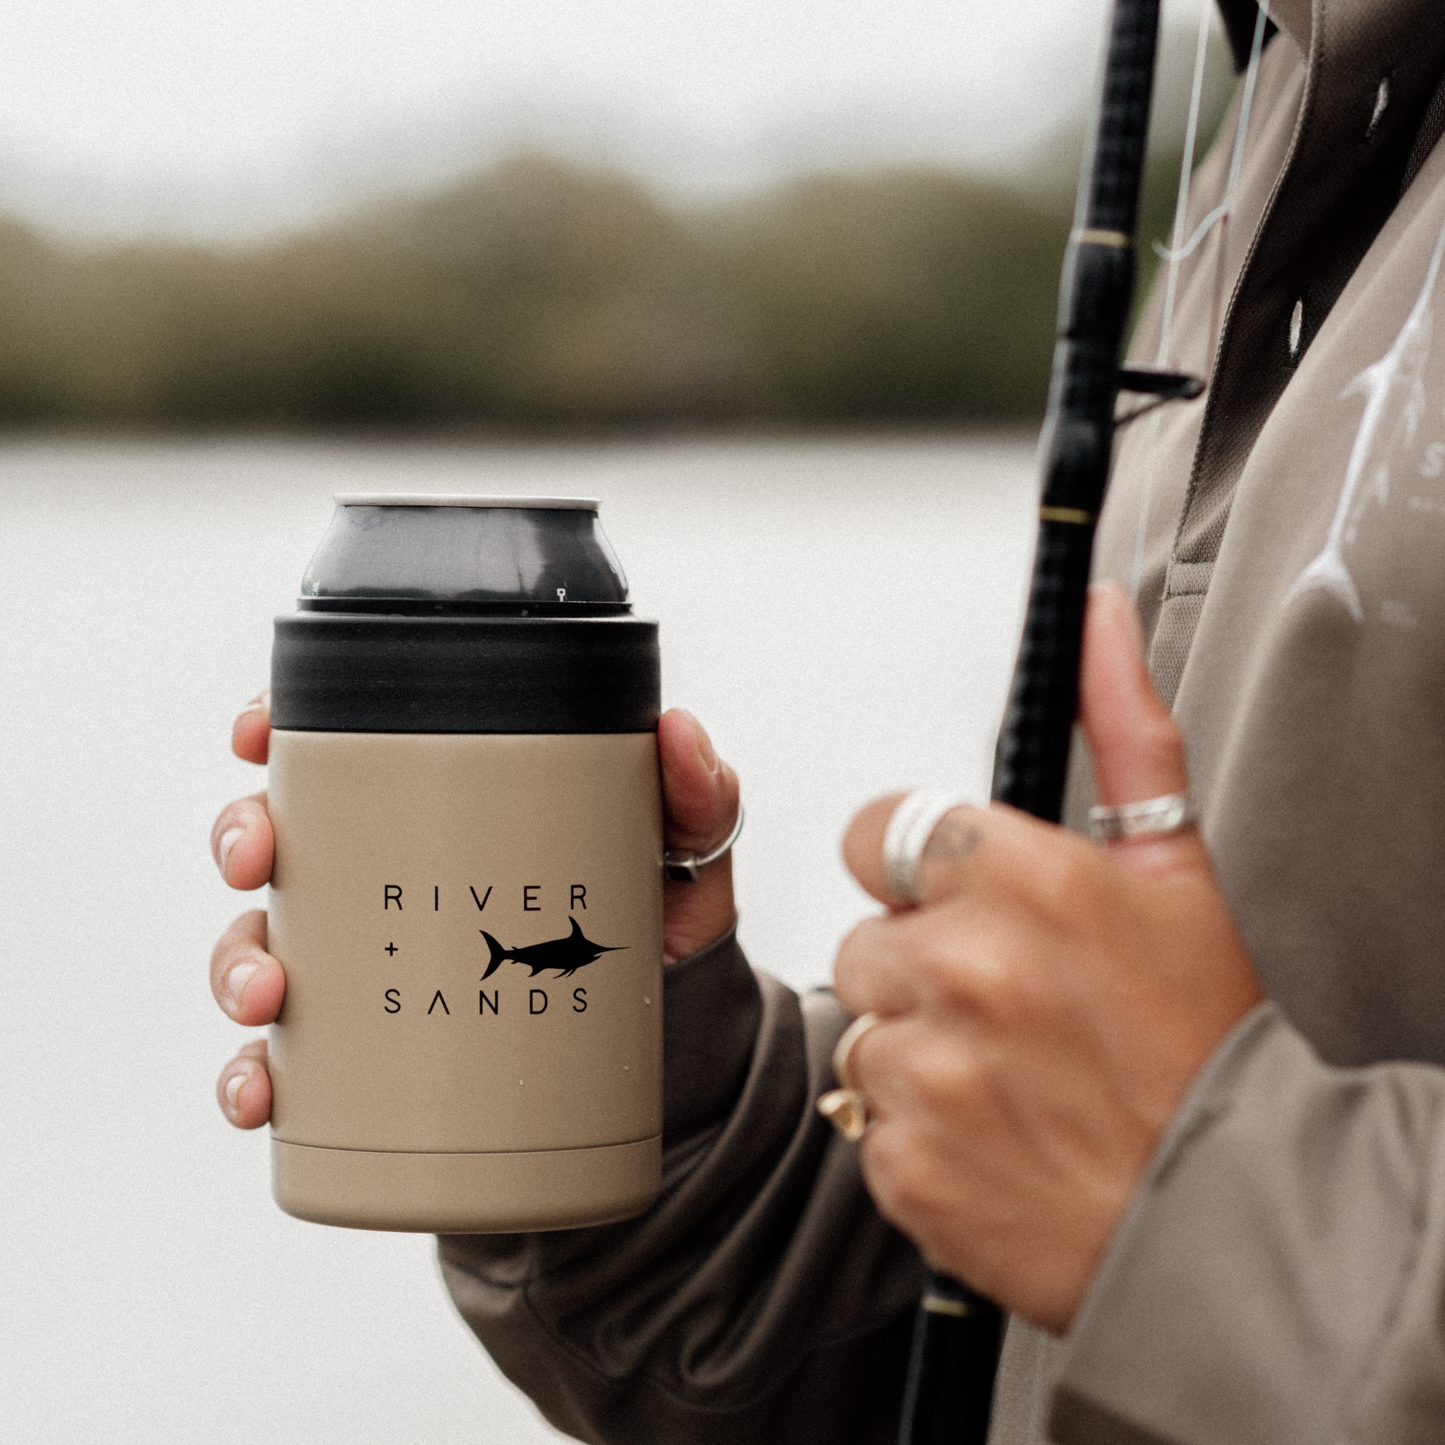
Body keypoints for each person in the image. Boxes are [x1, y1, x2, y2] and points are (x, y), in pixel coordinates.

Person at [208, 2, 1445, 1440]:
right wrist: (650, 1117)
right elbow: (1014, 1330)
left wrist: (1205, 1199)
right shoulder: (1281, 116)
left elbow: (1162, 1201)